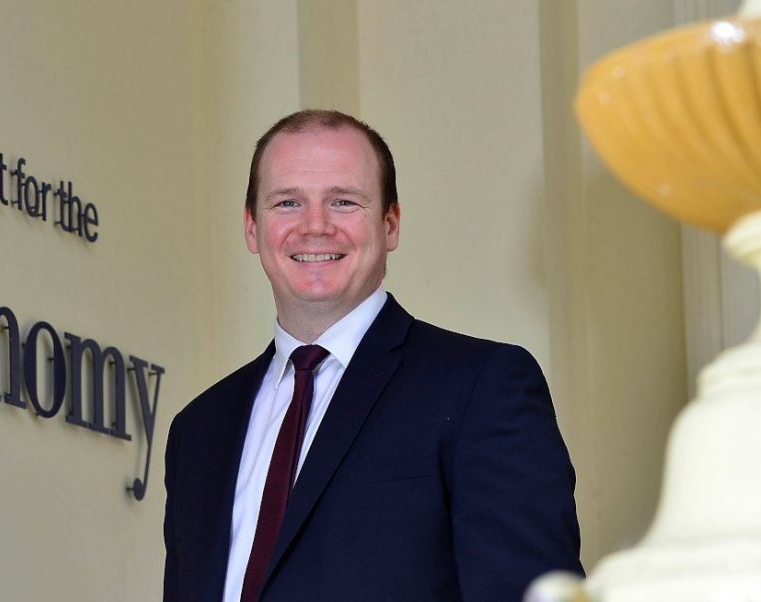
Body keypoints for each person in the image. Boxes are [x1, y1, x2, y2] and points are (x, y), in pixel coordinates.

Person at [162, 110, 582, 601]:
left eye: (343, 201)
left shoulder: (481, 387)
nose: (314, 226)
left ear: (391, 224)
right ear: (252, 229)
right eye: (287, 203)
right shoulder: (197, 431)